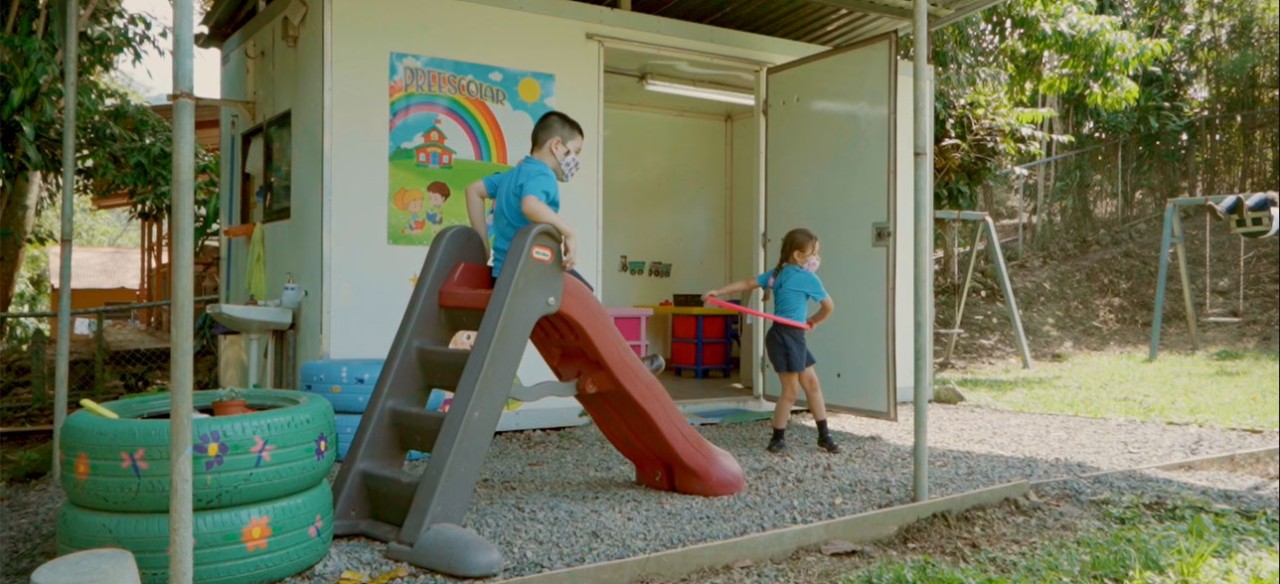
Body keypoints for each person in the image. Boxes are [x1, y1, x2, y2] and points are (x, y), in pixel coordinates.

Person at [465, 111, 665, 374]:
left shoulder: (513, 175)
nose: (575, 161)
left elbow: (473, 190)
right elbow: (530, 205)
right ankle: (626, 362)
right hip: (533, 273)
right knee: (589, 305)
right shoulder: (542, 174)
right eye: (575, 152)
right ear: (556, 146)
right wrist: (569, 232)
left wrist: (483, 242)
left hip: (504, 273)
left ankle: (605, 360)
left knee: (575, 313)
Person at [702, 228, 839, 454]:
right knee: (791, 391)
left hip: (794, 336)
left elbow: (747, 283)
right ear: (797, 255)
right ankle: (777, 439)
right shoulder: (800, 276)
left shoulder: (781, 272)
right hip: (784, 336)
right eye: (813, 253)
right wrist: (814, 320)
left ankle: (824, 435)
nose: (817, 258)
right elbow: (829, 307)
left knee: (812, 385)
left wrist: (718, 291)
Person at [1204, 191, 1279, 238]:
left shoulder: (1270, 207)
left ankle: (1245, 207)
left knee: (1262, 195)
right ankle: (1220, 211)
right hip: (1257, 229)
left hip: (1245, 230)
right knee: (1234, 198)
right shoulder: (1273, 209)